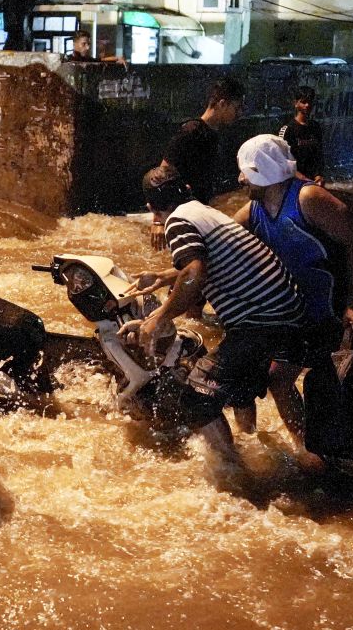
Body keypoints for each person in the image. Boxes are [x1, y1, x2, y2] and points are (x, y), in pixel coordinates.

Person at [122, 165, 307, 489]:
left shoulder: (177, 221)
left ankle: (235, 477)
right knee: (238, 388)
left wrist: (160, 317)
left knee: (196, 396)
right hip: (286, 311)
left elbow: (195, 271)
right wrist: (164, 277)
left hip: (262, 319)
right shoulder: (202, 211)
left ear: (152, 208)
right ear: (188, 187)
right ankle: (278, 450)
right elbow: (206, 263)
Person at [230, 135, 353, 460]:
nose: (239, 179)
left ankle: (344, 454)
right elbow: (221, 239)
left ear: (261, 172)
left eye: (244, 172)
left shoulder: (308, 198)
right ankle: (309, 450)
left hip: (335, 309)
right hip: (298, 314)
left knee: (336, 386)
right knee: (279, 380)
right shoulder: (254, 211)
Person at [154, 76, 245, 248]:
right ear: (222, 104)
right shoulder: (191, 132)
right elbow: (161, 174)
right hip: (182, 215)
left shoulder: (214, 134)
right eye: (237, 107)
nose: (240, 113)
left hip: (198, 213)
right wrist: (158, 221)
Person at [277, 86, 325, 184]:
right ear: (295, 103)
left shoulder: (316, 127)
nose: (307, 105)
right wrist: (298, 176)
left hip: (313, 180)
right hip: (292, 180)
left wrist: (318, 175)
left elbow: (318, 155)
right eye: (303, 102)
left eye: (310, 102)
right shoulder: (287, 130)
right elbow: (280, 159)